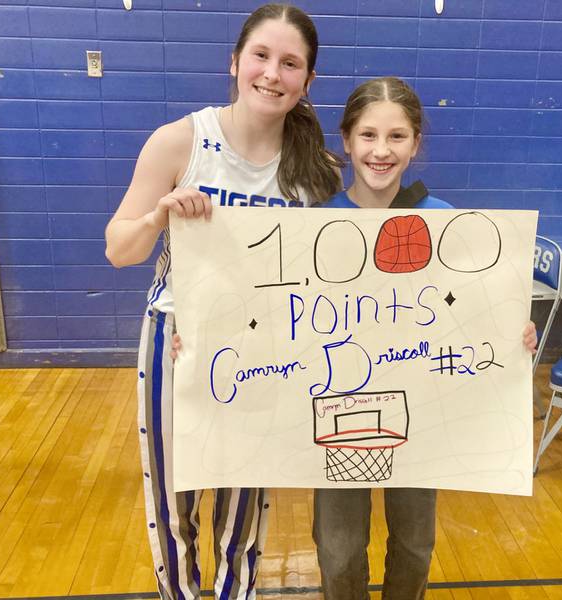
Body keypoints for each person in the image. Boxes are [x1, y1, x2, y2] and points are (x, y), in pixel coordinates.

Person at [104, 4, 340, 599]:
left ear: (307, 81)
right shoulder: (181, 140)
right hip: (178, 341)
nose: (272, 73)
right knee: (173, 498)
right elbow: (118, 250)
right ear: (235, 62)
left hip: (265, 349)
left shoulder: (316, 169)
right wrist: (159, 215)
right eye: (261, 56)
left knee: (242, 509)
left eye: (290, 63)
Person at [312, 76, 538, 600]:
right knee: (339, 547)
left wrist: (511, 334)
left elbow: (473, 314)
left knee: (415, 543)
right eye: (368, 135)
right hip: (340, 409)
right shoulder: (318, 225)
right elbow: (282, 327)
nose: (381, 150)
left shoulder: (445, 221)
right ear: (346, 141)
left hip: (423, 411)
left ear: (415, 143)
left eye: (397, 136)